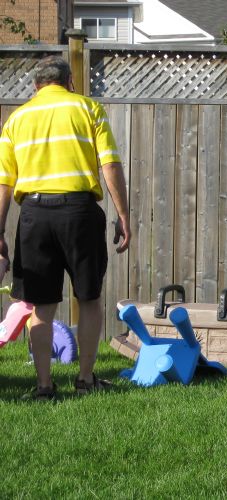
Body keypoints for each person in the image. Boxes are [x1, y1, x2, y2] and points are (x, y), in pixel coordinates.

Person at [0, 56, 131, 400]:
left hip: (34, 214)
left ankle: (44, 386)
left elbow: (4, 183)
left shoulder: (17, 119)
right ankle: (85, 379)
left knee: (40, 306)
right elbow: (110, 164)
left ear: (36, 86)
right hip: (79, 211)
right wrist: (124, 215)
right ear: (70, 82)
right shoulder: (88, 109)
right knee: (88, 298)